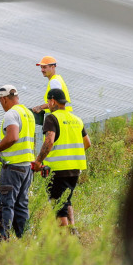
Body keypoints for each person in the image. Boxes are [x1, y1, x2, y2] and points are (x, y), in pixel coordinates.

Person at [32, 88, 91, 229]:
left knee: (59, 206)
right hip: (75, 170)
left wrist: (38, 161)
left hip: (57, 170)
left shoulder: (52, 118)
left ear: (52, 101)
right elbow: (87, 143)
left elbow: (49, 141)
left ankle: (65, 241)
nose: (48, 104)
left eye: (48, 101)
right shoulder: (77, 119)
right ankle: (72, 230)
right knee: (66, 200)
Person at [0, 84, 35, 240]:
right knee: (21, 206)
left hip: (13, 169)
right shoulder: (28, 113)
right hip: (26, 168)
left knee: (5, 205)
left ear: (4, 99)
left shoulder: (11, 114)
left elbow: (12, 137)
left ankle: (3, 241)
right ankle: (24, 239)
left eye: (0, 101)